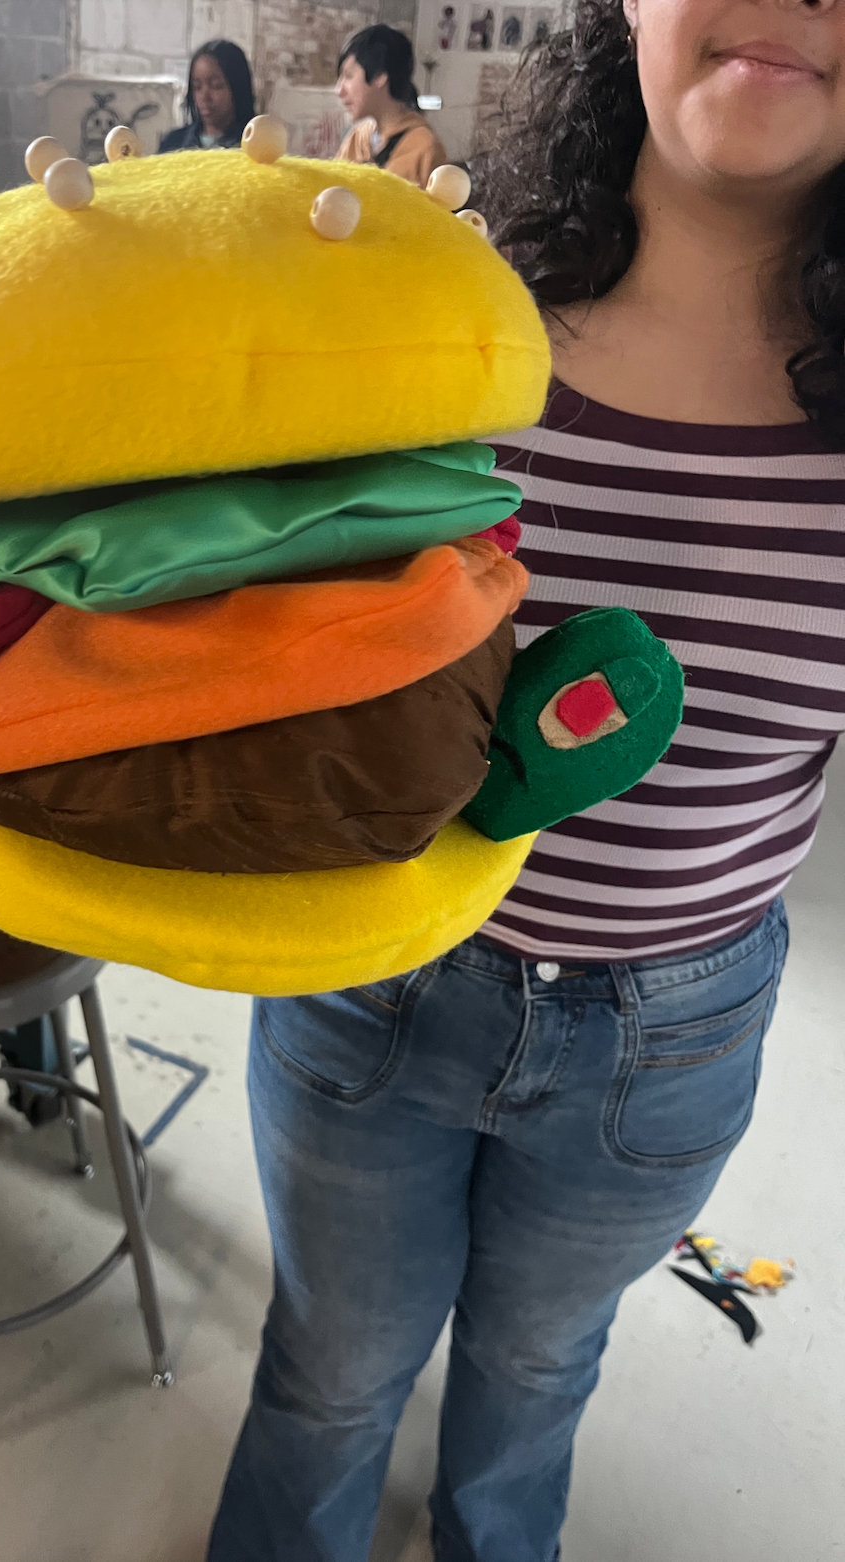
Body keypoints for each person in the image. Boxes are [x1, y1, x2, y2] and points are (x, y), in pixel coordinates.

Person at [208, 0, 845, 1558]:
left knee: (541, 1367)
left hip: (673, 1030)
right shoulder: (435, 309)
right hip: (377, 971)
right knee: (330, 1374)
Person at [333, 24, 447, 186]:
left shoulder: (425, 147)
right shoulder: (356, 138)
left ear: (380, 77)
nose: (339, 89)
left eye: (349, 76)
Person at [158, 40, 256, 154]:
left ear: (238, 87)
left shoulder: (255, 145)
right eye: (197, 87)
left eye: (216, 85)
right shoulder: (173, 143)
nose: (204, 97)